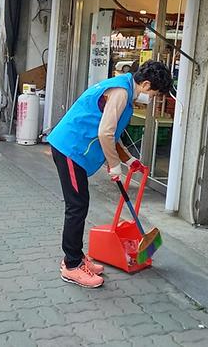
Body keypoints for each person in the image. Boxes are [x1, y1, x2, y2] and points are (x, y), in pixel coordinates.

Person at [46, 60, 173, 288]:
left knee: (79, 205)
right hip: (70, 149)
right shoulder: (121, 93)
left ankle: (76, 256)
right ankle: (72, 265)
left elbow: (112, 134)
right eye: (154, 93)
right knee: (77, 206)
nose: (153, 98)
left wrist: (128, 160)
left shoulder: (123, 87)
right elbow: (105, 133)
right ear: (145, 84)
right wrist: (114, 166)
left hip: (72, 148)